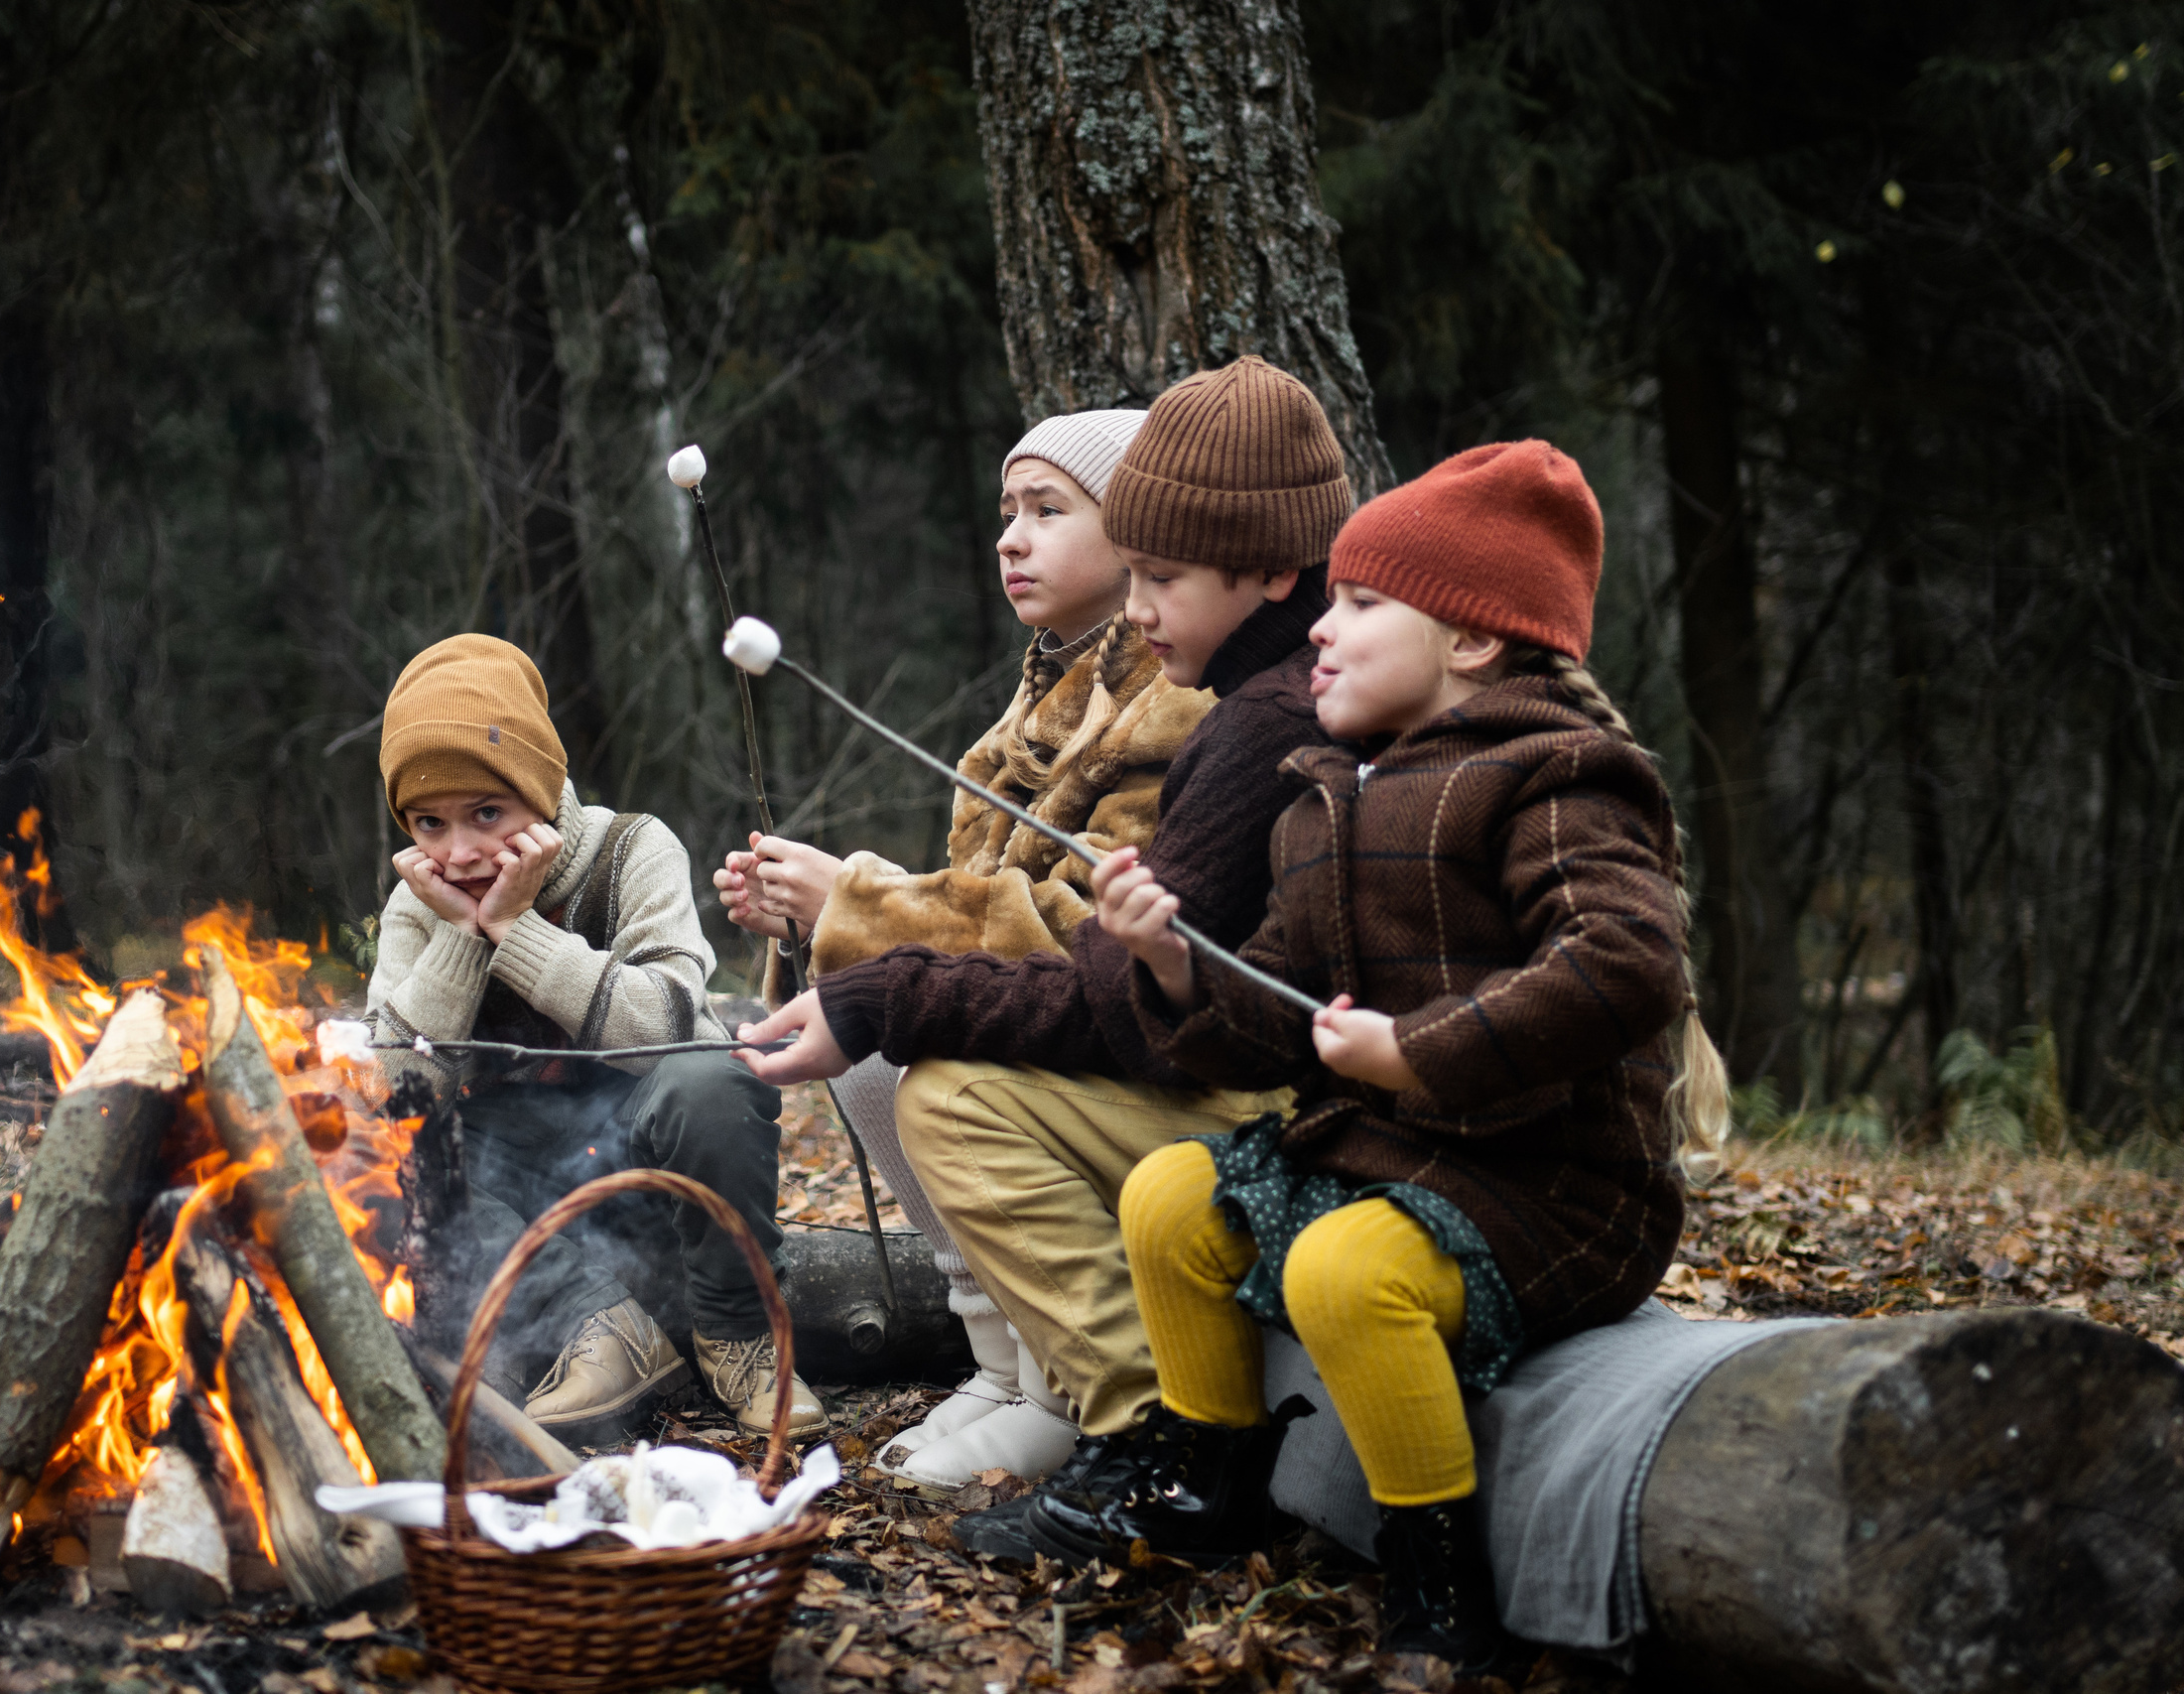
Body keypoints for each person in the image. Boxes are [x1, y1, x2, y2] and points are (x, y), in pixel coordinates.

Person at [1068, 442, 1732, 1675]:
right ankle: (1211, 1483)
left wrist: (1413, 1054)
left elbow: (1624, 964)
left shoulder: (1557, 777)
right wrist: (1169, 963)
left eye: (1364, 605)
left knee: (1340, 1267)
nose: (1324, 626)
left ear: (1471, 641)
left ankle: (1441, 1578)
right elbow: (1270, 1010)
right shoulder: (1327, 794)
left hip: (1555, 1185)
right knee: (1166, 1193)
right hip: (1392, 1154)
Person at [734, 356, 1352, 1544]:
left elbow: (1097, 980)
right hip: (1247, 1081)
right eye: (1004, 513)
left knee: (950, 1092)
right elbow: (1115, 979)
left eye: (1156, 573)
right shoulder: (1180, 696)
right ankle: (1012, 1367)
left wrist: (871, 946)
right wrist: (851, 954)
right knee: (907, 1055)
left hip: (1291, 1119)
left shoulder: (1240, 720)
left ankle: (1139, 1433)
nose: (1137, 605)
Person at [714, 408, 1215, 1487]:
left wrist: (858, 901)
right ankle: (1001, 1358)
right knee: (873, 1036)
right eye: (1005, 514)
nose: (1009, 539)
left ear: (1136, 535)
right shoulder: (1019, 722)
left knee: (906, 1034)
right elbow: (975, 918)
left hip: (1155, 1060)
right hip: (1071, 1047)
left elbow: (1077, 931)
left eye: (1047, 511)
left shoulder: (1176, 708)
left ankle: (1063, 1389)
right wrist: (818, 919)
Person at [363, 634, 825, 1444]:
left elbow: (680, 1028)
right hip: (517, 1215)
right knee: (384, 1143)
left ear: (541, 793)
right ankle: (598, 1326)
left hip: (649, 1183)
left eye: (488, 813)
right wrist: (467, 938)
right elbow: (391, 1089)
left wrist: (518, 930)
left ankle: (738, 1334)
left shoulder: (630, 851)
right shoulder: (422, 900)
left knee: (714, 1077)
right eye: (428, 822)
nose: (460, 851)